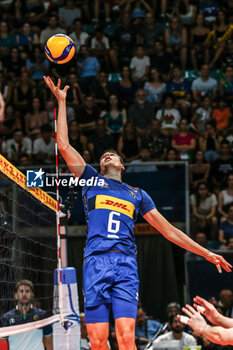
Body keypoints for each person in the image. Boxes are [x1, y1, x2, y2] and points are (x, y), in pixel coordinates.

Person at [43, 75, 232, 350]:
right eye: (103, 155)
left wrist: (205, 252)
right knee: (96, 342)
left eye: (113, 155)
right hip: (95, 262)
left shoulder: (137, 194)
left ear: (122, 165)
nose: (107, 156)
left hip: (124, 265)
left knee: (126, 339)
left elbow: (169, 231)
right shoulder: (91, 180)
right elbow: (63, 144)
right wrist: (61, 102)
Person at [0, 279, 53, 350]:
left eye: (27, 291)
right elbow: (2, 345)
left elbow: (49, 342)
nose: (24, 294)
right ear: (16, 295)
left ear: (32, 295)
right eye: (21, 291)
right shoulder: (6, 318)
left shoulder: (42, 315)